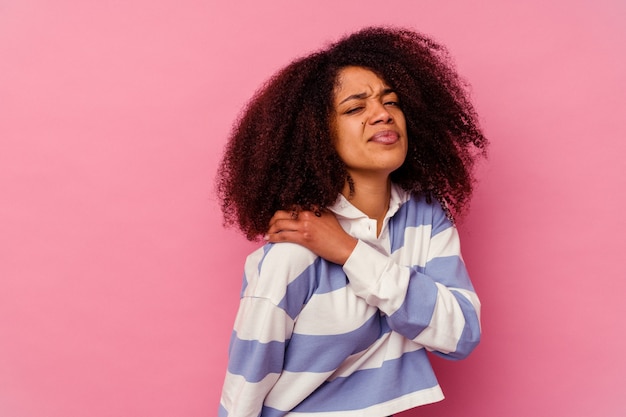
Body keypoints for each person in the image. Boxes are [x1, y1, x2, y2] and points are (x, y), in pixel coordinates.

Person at [216, 26, 488, 417]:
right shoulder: (295, 253)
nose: (383, 114)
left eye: (391, 101)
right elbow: (243, 388)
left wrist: (348, 251)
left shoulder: (425, 217)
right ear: (317, 135)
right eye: (355, 108)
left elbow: (461, 334)